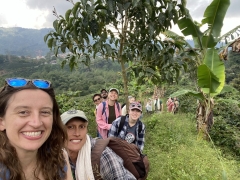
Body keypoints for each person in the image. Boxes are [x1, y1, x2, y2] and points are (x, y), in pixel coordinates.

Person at [0, 77, 72, 180]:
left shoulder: (59, 159)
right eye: (23, 112)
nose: (36, 123)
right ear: (1, 122)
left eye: (45, 112)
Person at [61, 109, 136, 180]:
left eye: (81, 127)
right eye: (70, 127)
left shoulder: (103, 155)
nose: (77, 133)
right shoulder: (56, 155)